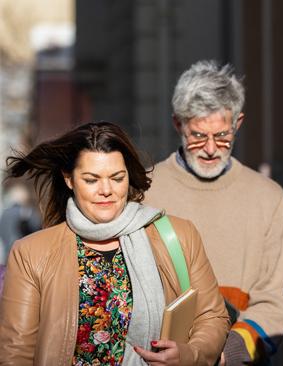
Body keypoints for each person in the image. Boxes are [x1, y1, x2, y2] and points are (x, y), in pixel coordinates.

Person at [0, 122, 230, 365]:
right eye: (91, 180)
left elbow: (212, 316)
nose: (106, 190)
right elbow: (16, 354)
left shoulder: (179, 235)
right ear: (69, 179)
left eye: (117, 178)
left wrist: (188, 355)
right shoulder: (31, 254)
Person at [144, 60, 283, 365]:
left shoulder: (269, 198)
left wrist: (231, 350)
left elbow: (279, 296)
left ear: (238, 123)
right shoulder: (144, 191)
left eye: (223, 136)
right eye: (198, 136)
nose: (211, 148)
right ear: (178, 125)